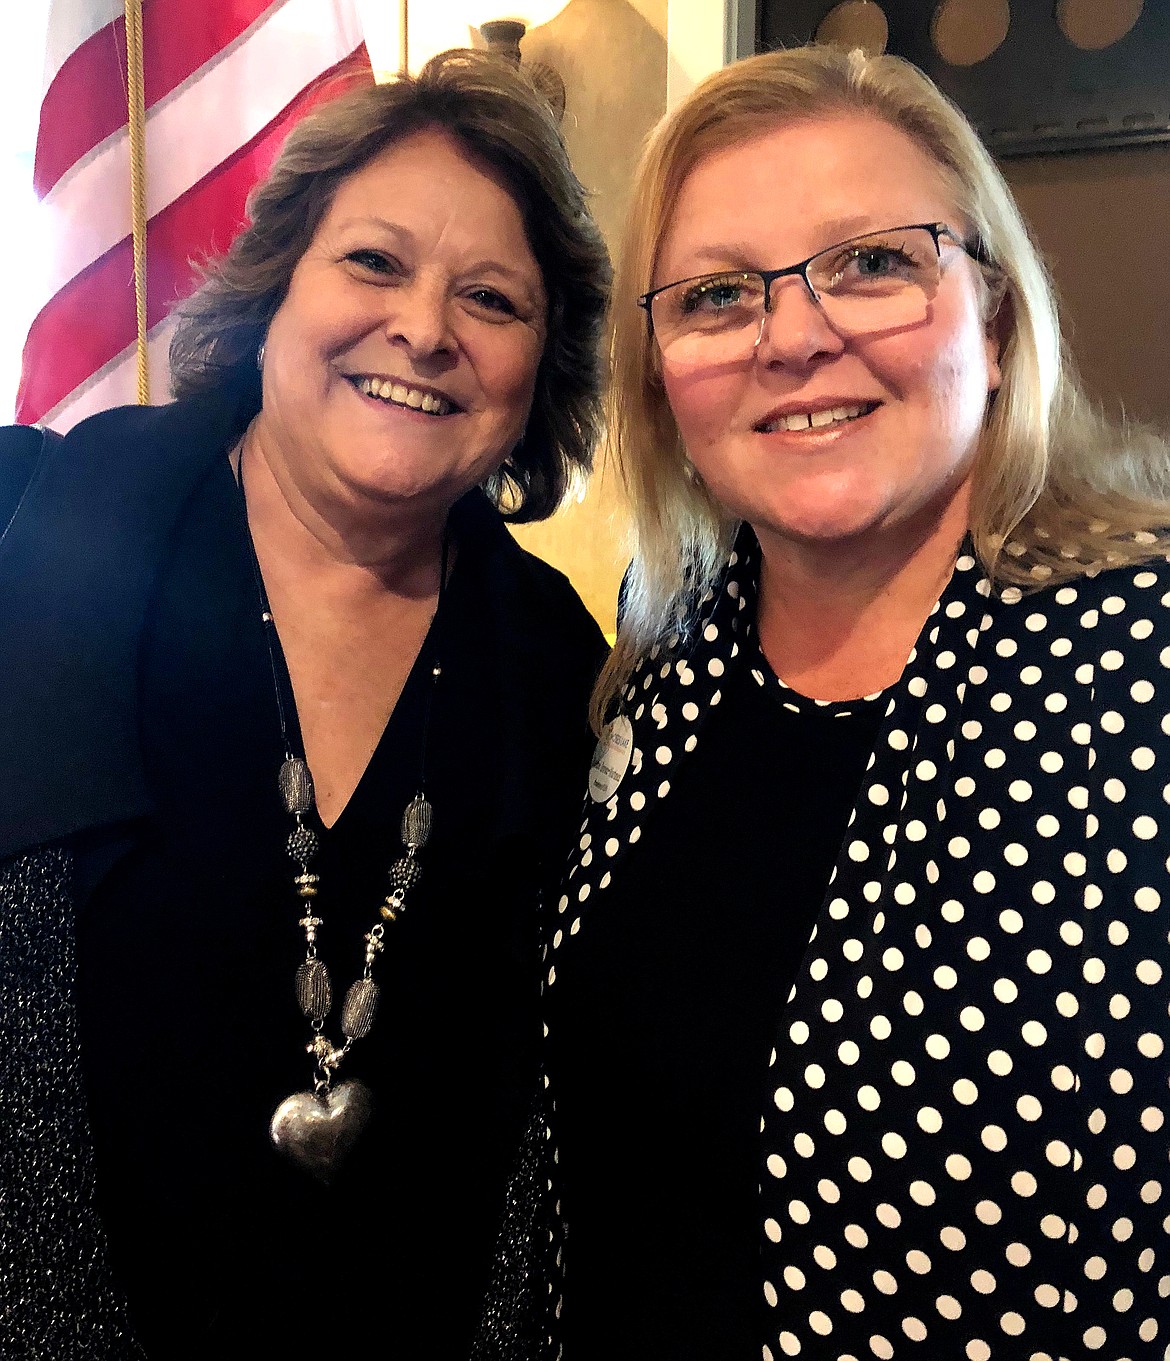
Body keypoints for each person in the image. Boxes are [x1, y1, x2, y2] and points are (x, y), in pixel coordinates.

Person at [523, 44, 1169, 1361]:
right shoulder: (662, 664)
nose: (795, 335)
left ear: (989, 324)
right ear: (659, 375)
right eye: (715, 294)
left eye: (871, 262)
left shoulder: (1141, 654)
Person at [0, 51, 609, 1360]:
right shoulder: (30, 535)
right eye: (375, 263)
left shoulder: (557, 666)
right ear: (274, 287)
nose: (427, 327)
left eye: (490, 297)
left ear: (534, 370)